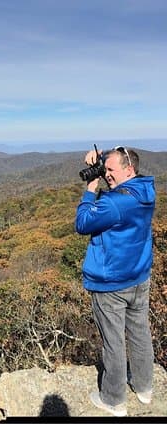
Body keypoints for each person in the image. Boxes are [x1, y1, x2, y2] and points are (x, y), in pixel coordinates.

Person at [75, 146, 156, 417]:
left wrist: (90, 188)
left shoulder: (113, 203)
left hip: (112, 283)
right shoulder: (146, 191)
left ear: (129, 169)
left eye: (111, 170)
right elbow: (118, 179)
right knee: (140, 333)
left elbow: (83, 222)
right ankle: (144, 389)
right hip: (139, 276)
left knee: (114, 342)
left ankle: (113, 399)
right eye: (105, 169)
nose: (107, 174)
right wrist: (101, 161)